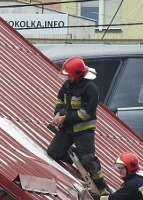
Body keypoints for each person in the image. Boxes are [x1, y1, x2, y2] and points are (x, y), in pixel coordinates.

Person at [46, 56, 107, 191]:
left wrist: (66, 117)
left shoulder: (91, 89)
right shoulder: (68, 84)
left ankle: (102, 187)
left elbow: (86, 113)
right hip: (68, 128)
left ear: (78, 74)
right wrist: (57, 113)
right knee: (54, 153)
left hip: (83, 130)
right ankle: (77, 156)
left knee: (89, 160)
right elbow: (60, 101)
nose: (68, 78)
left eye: (70, 75)